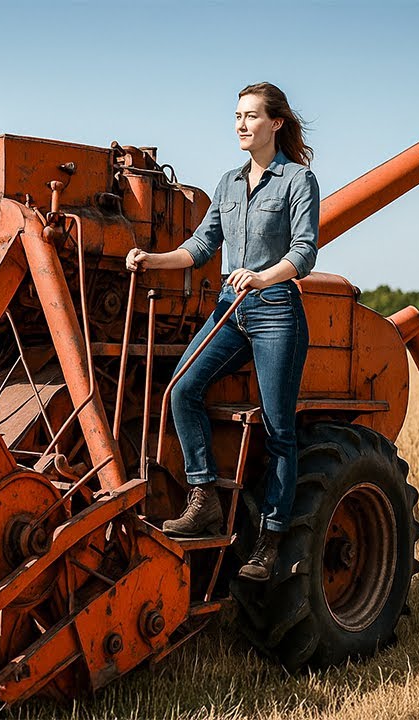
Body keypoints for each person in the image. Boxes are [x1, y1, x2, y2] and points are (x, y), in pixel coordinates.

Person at [125, 82, 319, 582]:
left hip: (276, 309)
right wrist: (153, 261)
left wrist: (262, 275)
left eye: (251, 116)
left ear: (275, 123)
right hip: (231, 311)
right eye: (237, 115)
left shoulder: (298, 181)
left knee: (279, 431)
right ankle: (204, 499)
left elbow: (304, 252)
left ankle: (270, 544)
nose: (240, 124)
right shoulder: (229, 184)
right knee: (182, 389)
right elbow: (200, 245)